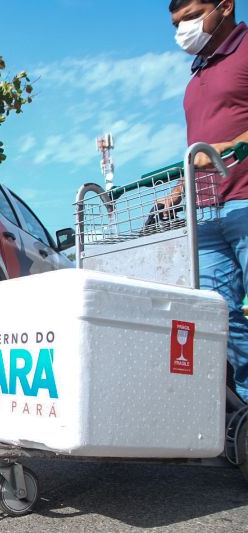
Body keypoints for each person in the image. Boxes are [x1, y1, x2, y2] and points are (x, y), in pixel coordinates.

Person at [162, 0, 248, 401]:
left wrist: (229, 146)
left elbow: (219, 143)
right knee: (221, 317)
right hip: (206, 214)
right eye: (178, 23)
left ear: (225, 6)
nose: (184, 29)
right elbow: (197, 147)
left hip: (245, 201)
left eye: (192, 17)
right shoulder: (197, 74)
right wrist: (179, 190)